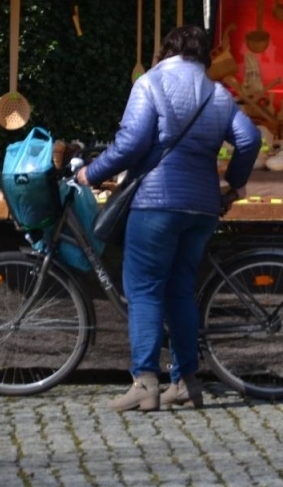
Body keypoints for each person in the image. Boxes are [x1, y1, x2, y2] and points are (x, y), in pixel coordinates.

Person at [78, 24, 260, 413]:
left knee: (144, 289)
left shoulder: (150, 83)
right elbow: (249, 139)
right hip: (203, 207)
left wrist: (90, 174)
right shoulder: (217, 93)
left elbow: (129, 143)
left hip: (156, 203)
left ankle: (145, 382)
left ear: (166, 50)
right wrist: (233, 184)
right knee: (180, 289)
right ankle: (186, 382)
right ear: (205, 56)